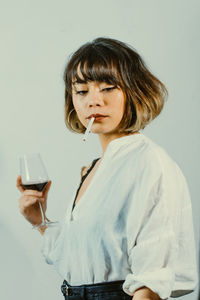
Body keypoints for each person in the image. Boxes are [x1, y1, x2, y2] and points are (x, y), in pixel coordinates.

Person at [16, 37, 198, 300]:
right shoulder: (94, 168)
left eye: (108, 87)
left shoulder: (148, 162)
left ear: (134, 91)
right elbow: (78, 262)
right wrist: (39, 219)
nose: (94, 101)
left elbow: (151, 281)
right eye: (82, 91)